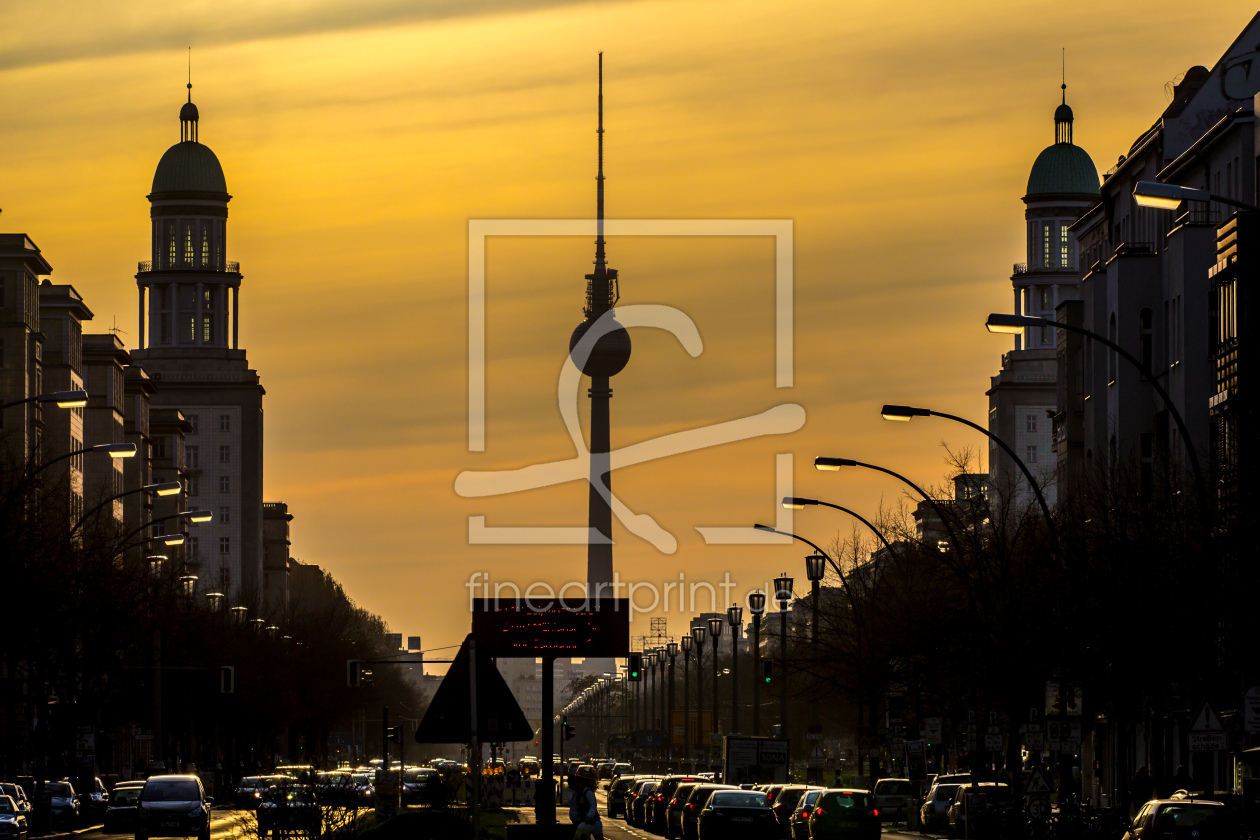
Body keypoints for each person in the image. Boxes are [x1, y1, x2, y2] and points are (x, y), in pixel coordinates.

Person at [568, 767, 603, 838]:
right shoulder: (578, 793)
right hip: (584, 822)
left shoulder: (587, 792)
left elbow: (593, 806)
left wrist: (588, 817)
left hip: (590, 822)